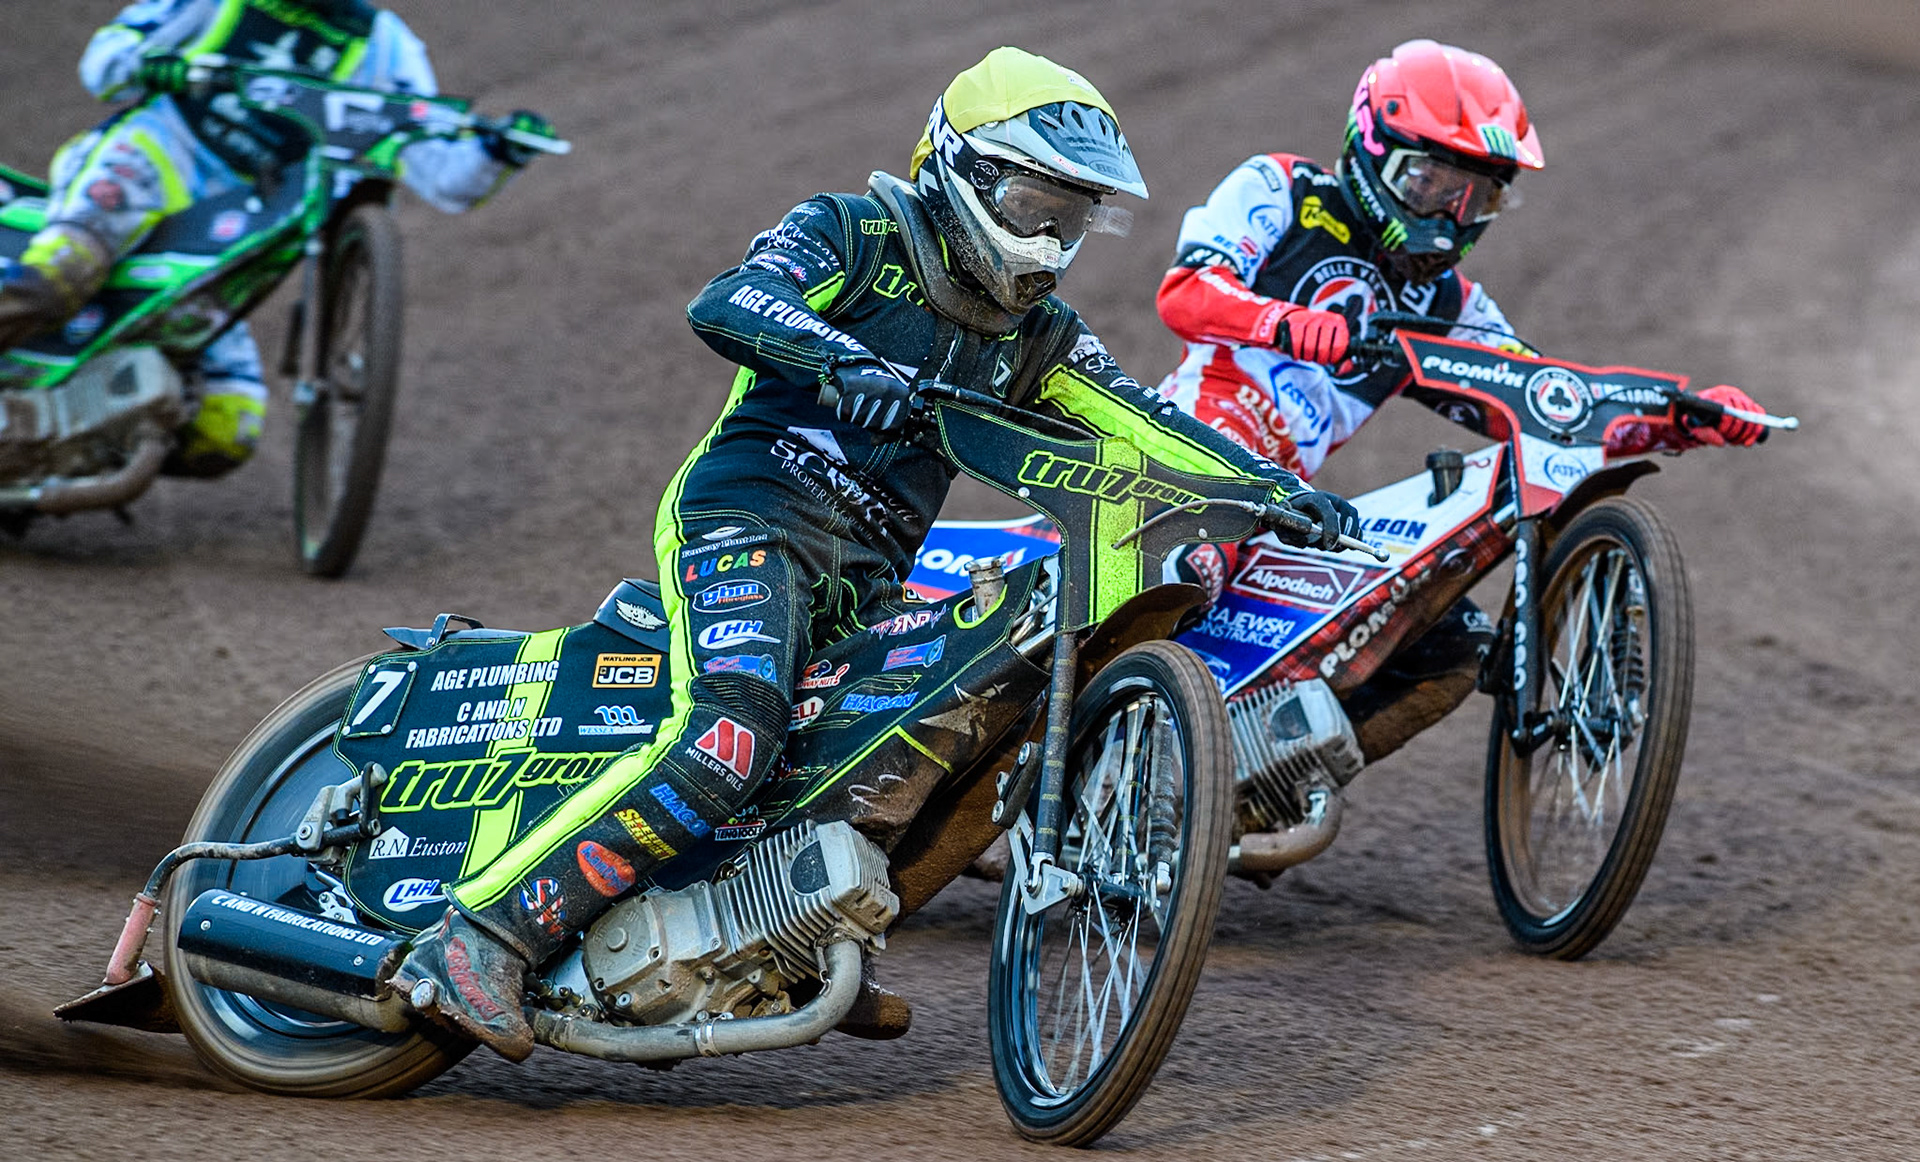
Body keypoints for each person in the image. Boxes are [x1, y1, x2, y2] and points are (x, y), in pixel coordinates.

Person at [390, 47, 1362, 1060]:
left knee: (952, 720)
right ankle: (483, 936)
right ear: (964, 170)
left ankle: (791, 928)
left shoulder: (1040, 336)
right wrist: (839, 358)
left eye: (1072, 218)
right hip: (751, 520)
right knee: (734, 732)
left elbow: (1145, 422)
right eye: (1034, 205)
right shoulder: (853, 232)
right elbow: (730, 298)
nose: (1048, 239)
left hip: (866, 581)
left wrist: (1273, 492)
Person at [1155, 38, 1771, 758]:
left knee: (1450, 647)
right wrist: (1288, 323)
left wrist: (1677, 416)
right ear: (1372, 149)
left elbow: (1547, 401)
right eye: (1429, 184)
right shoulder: (1283, 189)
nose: (1449, 215)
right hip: (1195, 439)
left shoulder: (1451, 306)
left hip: (1294, 502)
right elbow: (1185, 292)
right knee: (1194, 565)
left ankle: (1248, 791)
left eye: (1475, 196)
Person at [0, 0, 548, 476]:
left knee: (225, 428)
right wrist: (147, 63)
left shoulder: (384, 45)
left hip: (235, 228)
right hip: (151, 162)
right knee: (57, 279)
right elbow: (104, 62)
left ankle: (53, 459)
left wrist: (499, 151)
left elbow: (440, 172)